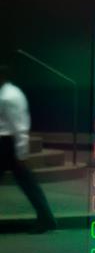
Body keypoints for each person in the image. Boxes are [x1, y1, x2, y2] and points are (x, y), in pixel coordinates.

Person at [0, 64, 56, 233]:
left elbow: (20, 128)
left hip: (7, 145)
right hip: (6, 144)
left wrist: (21, 153)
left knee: (28, 183)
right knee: (28, 184)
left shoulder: (9, 97)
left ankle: (46, 218)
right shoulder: (7, 93)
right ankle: (46, 218)